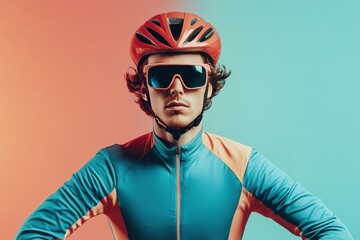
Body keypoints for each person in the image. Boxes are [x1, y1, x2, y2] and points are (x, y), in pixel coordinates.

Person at [16, 11, 353, 240]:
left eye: (191, 75)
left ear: (209, 85)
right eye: (162, 75)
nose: (176, 88)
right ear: (144, 86)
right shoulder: (112, 167)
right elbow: (34, 234)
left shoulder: (243, 165)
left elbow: (330, 230)